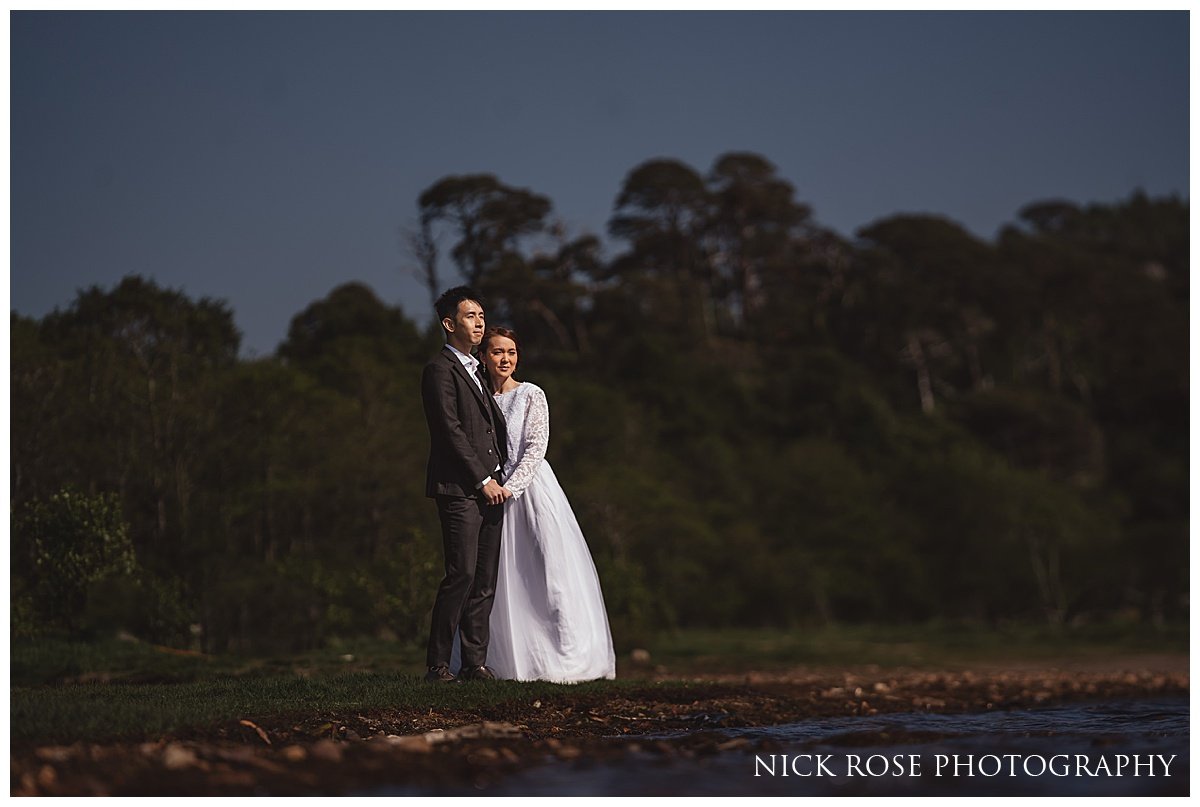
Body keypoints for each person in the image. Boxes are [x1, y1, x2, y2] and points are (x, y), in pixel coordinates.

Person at [471, 326, 616, 682]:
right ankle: (505, 656)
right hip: (492, 491)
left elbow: (536, 446)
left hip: (531, 489)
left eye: (511, 352)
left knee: (550, 568)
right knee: (499, 574)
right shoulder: (479, 396)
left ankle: (564, 652)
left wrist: (512, 487)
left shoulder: (531, 394)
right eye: (497, 352)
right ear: (484, 357)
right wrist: (492, 486)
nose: (505, 359)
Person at [420, 287, 512, 684]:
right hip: (460, 489)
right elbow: (450, 431)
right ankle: (438, 666)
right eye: (471, 316)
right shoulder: (440, 370)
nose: (480, 323)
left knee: (485, 581)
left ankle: (474, 663)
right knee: (460, 575)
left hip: (491, 489)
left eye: (482, 315)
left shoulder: (477, 370)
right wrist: (482, 478)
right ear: (449, 324)